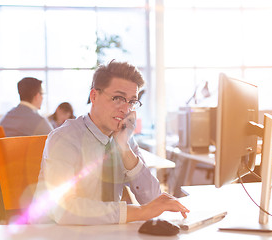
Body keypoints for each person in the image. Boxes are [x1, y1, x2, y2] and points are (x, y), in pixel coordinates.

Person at [29, 60, 189, 225]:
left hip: (108, 233)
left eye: (132, 101)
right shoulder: (65, 138)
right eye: (118, 98)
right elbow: (64, 209)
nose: (126, 109)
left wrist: (125, 148)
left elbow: (153, 198)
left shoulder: (123, 137)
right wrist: (140, 212)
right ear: (94, 96)